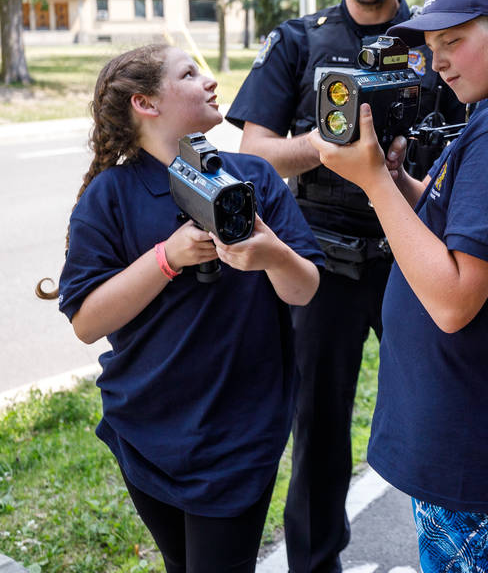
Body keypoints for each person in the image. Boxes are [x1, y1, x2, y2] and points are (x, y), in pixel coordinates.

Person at [226, 0, 459, 572]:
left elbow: (471, 134)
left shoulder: (435, 35)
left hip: (413, 253)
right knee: (320, 430)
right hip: (322, 257)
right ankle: (315, 564)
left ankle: (447, 553)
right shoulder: (301, 40)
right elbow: (254, 151)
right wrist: (329, 148)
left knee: (437, 415)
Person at [307, 0, 488, 573]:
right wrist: (400, 181)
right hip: (457, 407)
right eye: (432, 48)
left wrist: (373, 181)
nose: (440, 63)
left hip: (465, 414)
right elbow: (461, 222)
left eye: (452, 41)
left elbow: (453, 301)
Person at [41, 44, 322, 572]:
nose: (211, 80)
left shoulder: (254, 177)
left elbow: (304, 288)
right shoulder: (110, 195)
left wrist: (271, 254)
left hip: (239, 433)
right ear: (146, 103)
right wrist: (167, 258)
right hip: (146, 428)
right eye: (190, 74)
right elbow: (86, 322)